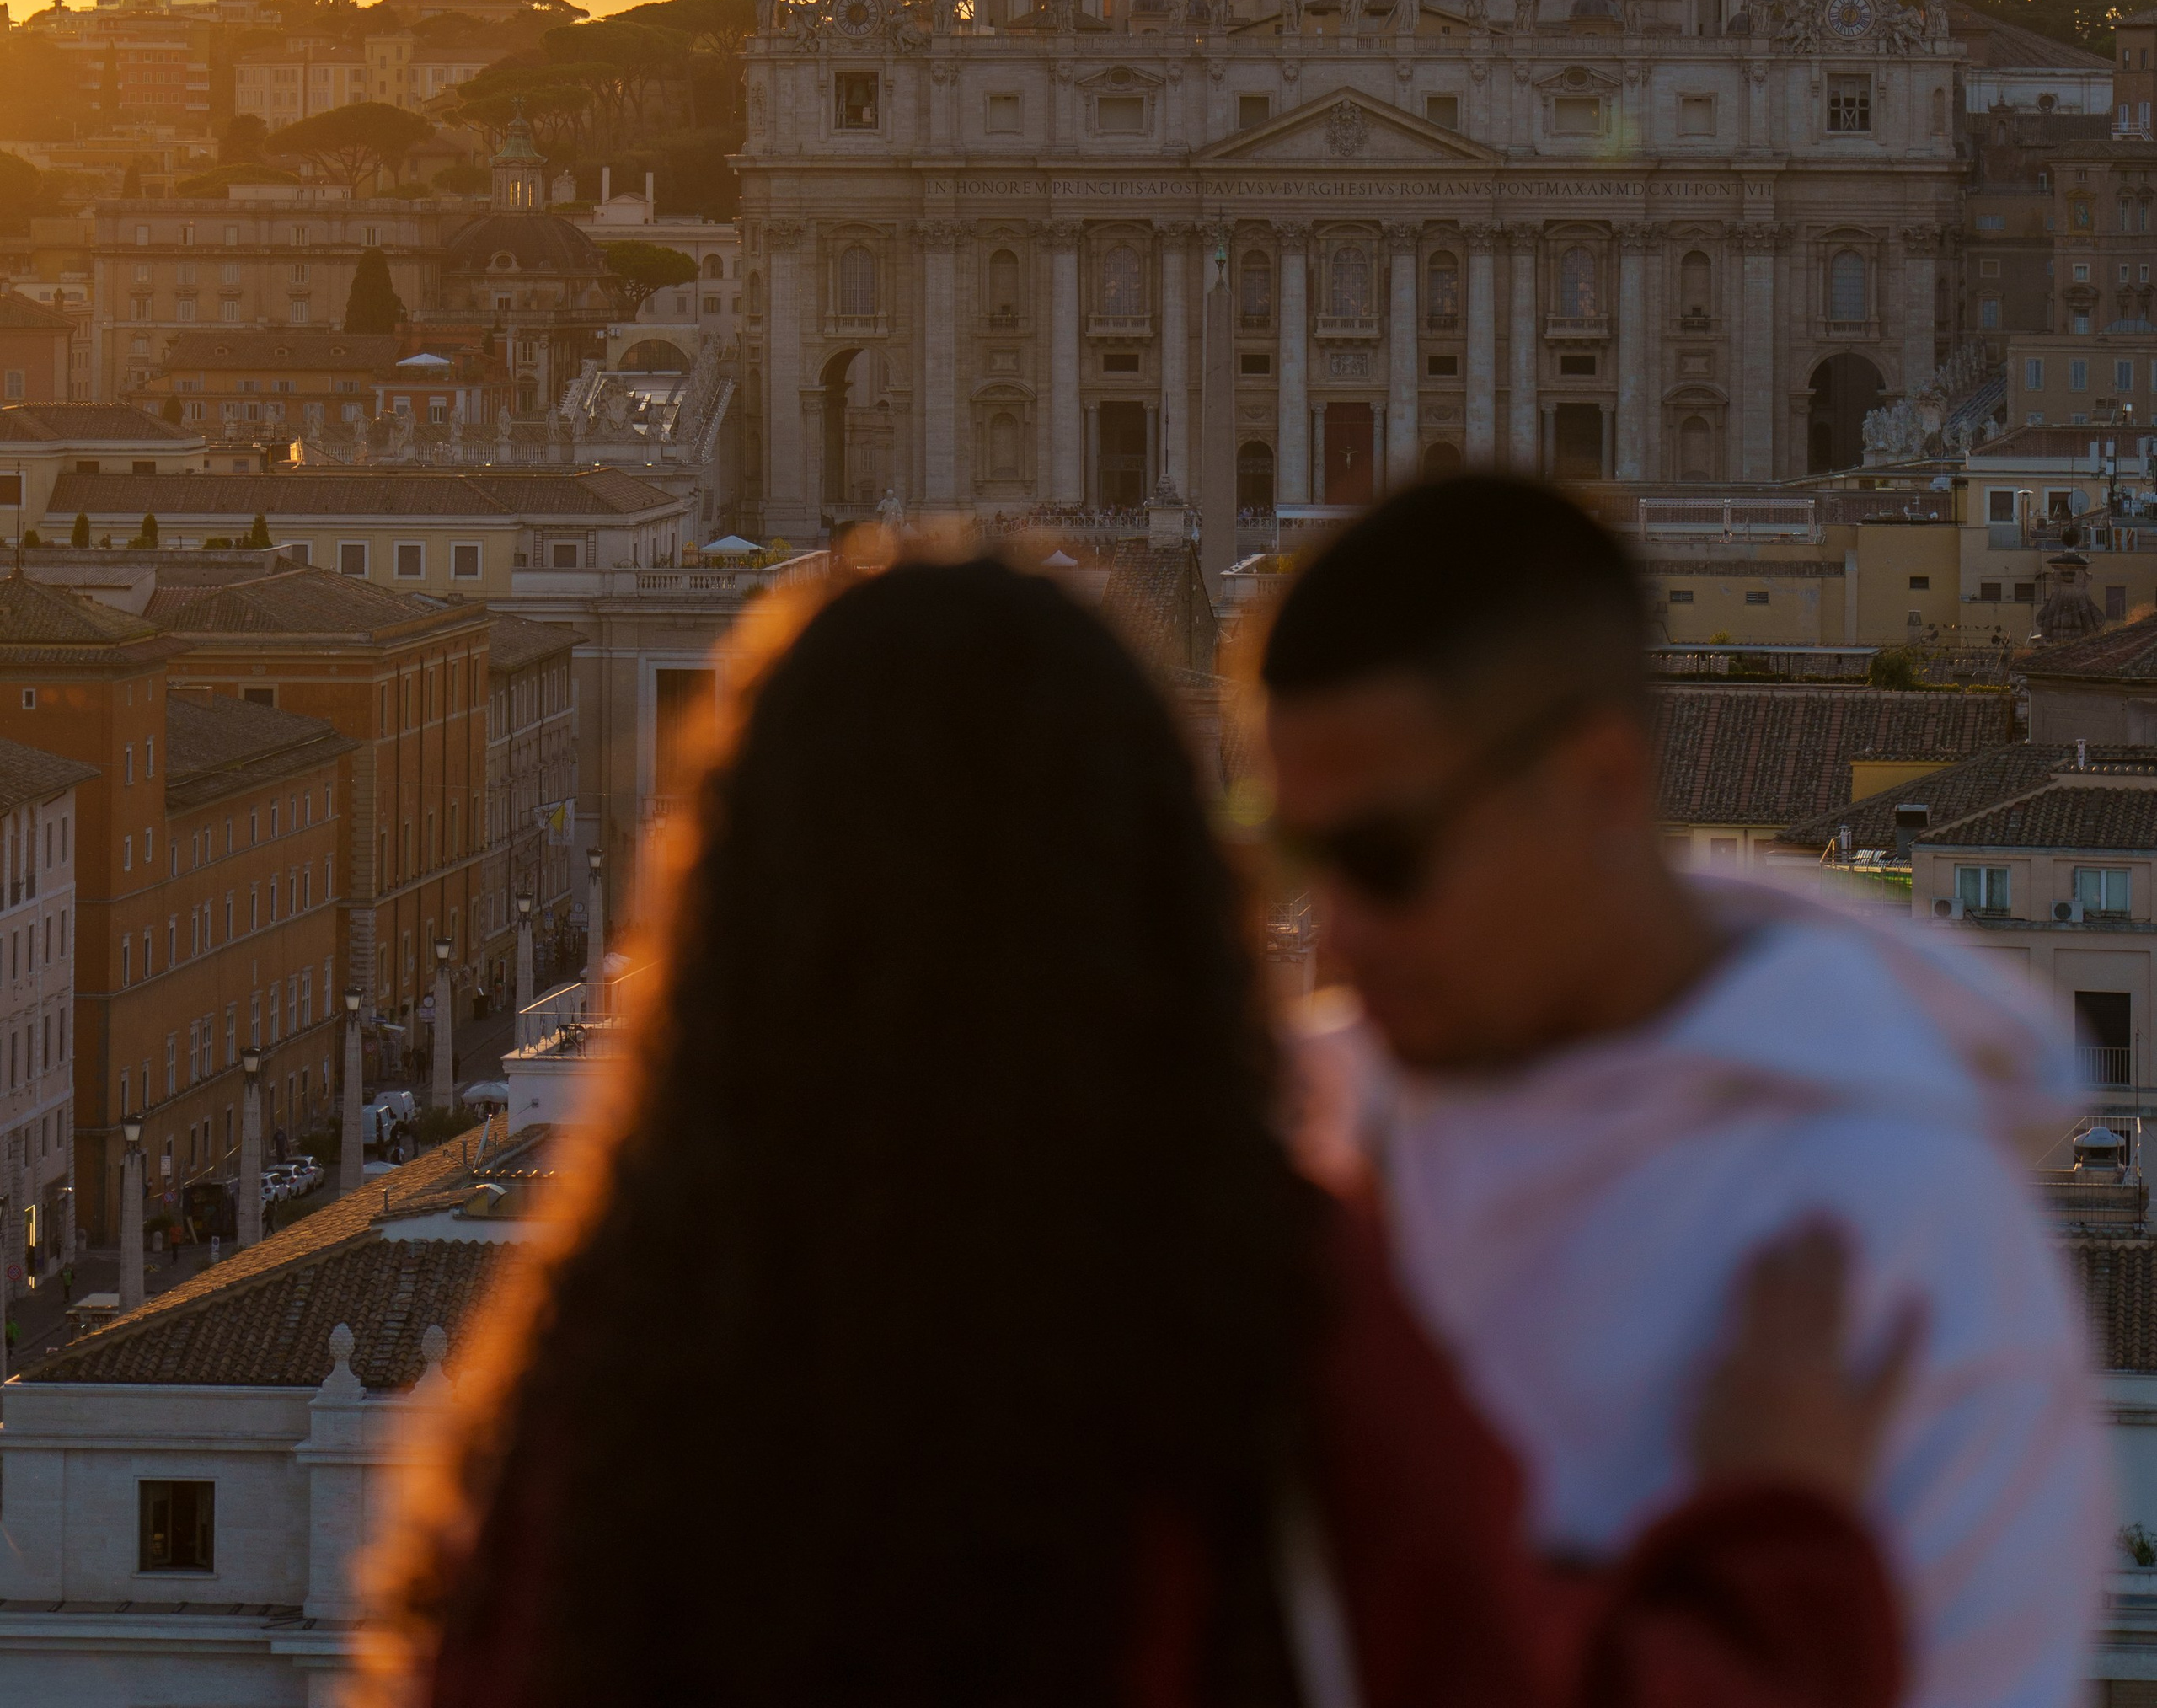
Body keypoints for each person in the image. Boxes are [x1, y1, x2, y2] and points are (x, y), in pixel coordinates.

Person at [366, 554, 1908, 1708]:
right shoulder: (1273, 1312)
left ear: (730, 918)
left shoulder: (599, 1368)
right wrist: (1784, 1530)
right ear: (1155, 888)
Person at [1266, 477, 2107, 1708]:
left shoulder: (1910, 1245)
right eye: (1300, 861)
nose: (1333, 933)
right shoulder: (1318, 1141)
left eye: (1384, 860)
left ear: (1601, 781)